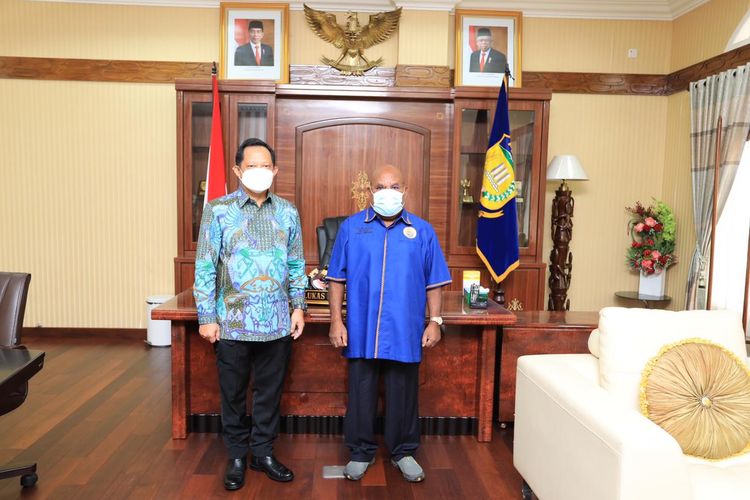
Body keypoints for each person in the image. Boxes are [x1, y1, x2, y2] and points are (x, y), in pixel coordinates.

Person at [326, 165, 451, 483]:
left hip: (405, 329)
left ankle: (403, 451)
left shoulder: (422, 231)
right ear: (370, 192)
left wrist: (434, 321)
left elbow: (434, 281)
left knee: (403, 394)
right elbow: (336, 279)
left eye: (394, 186)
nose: (387, 192)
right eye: (381, 186)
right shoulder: (352, 228)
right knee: (361, 394)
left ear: (405, 190)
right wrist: (336, 321)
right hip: (361, 329)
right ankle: (360, 451)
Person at [193, 138, 306, 491]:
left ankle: (263, 452)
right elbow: (205, 266)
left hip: (276, 322)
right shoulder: (218, 210)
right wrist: (206, 316)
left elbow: (296, 263)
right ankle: (238, 456)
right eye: (251, 166)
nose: (259, 172)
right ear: (238, 170)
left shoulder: (288, 212)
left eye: (265, 166)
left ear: (275, 171)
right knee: (233, 393)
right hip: (232, 323)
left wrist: (298, 306)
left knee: (269, 392)